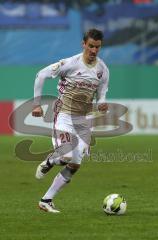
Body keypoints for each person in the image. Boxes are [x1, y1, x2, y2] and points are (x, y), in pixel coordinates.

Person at [32, 28, 109, 213]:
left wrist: (102, 104)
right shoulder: (70, 63)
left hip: (83, 120)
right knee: (66, 155)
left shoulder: (102, 70)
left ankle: (46, 200)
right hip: (64, 116)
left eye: (97, 47)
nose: (93, 50)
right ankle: (50, 161)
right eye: (90, 46)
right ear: (84, 44)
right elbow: (40, 75)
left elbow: (102, 93)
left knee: (75, 165)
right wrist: (37, 105)